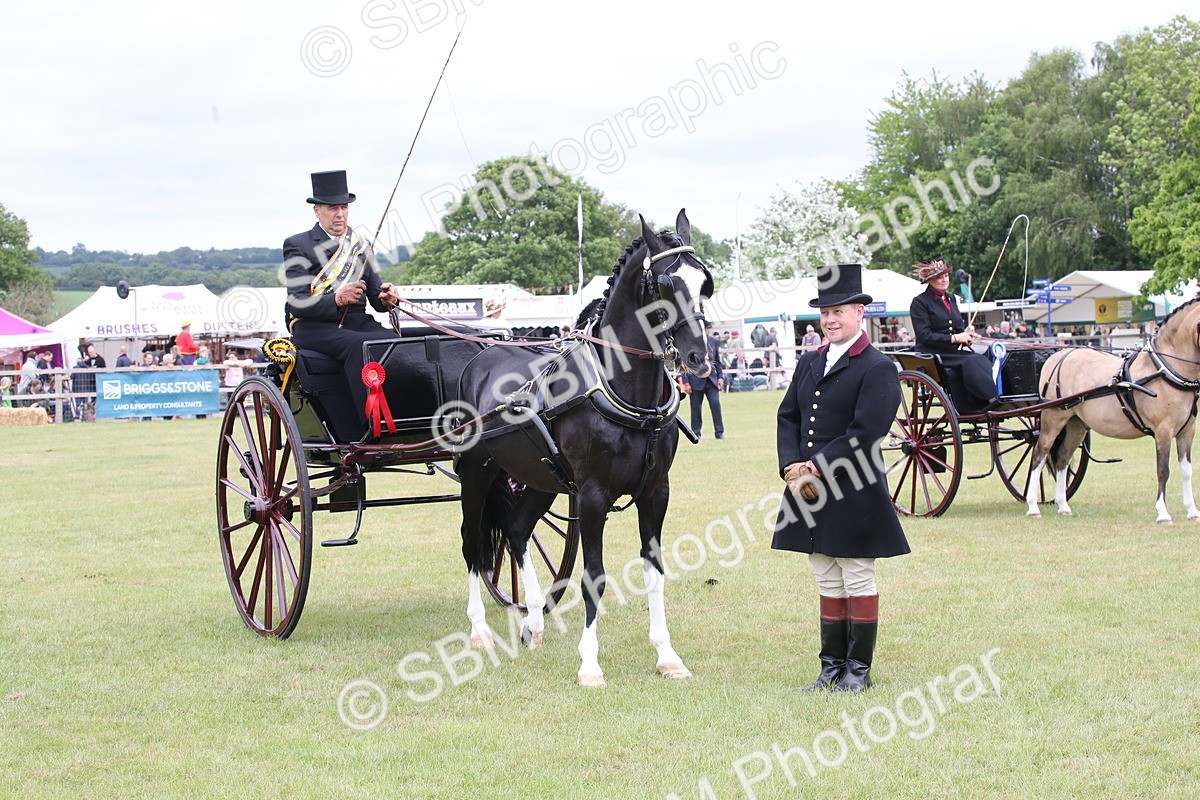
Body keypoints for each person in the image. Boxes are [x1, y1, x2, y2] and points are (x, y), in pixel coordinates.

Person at [774, 263, 910, 694]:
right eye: (825, 312)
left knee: (856, 576)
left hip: (854, 489)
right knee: (826, 576)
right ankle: (830, 667)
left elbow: (866, 430)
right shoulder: (809, 361)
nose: (830, 319)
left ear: (859, 313)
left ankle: (858, 670)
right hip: (808, 489)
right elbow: (788, 416)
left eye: (839, 311)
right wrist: (790, 464)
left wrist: (814, 464)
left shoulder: (878, 366)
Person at [283, 170, 403, 425]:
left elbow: (375, 297)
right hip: (314, 327)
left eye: (344, 207)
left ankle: (402, 418)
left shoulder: (360, 244)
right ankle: (369, 424)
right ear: (317, 210)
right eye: (332, 208)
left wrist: (386, 297)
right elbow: (297, 302)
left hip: (358, 323)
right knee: (360, 346)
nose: (340, 214)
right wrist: (336, 300)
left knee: (397, 343)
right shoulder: (298, 245)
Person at [909, 258, 998, 410]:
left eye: (946, 276)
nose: (944, 280)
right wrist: (955, 338)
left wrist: (965, 334)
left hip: (953, 352)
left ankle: (990, 397)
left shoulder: (951, 298)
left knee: (985, 357)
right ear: (930, 280)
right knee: (972, 361)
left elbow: (957, 328)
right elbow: (924, 336)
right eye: (939, 277)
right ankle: (989, 398)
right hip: (934, 354)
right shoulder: (920, 302)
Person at [680, 322, 725, 439]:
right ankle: (696, 432)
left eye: (707, 328)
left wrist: (720, 377)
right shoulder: (691, 341)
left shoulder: (713, 342)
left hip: (712, 380)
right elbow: (685, 363)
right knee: (695, 408)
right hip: (695, 380)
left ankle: (719, 432)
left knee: (715, 405)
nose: (707, 330)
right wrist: (686, 382)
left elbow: (718, 361)